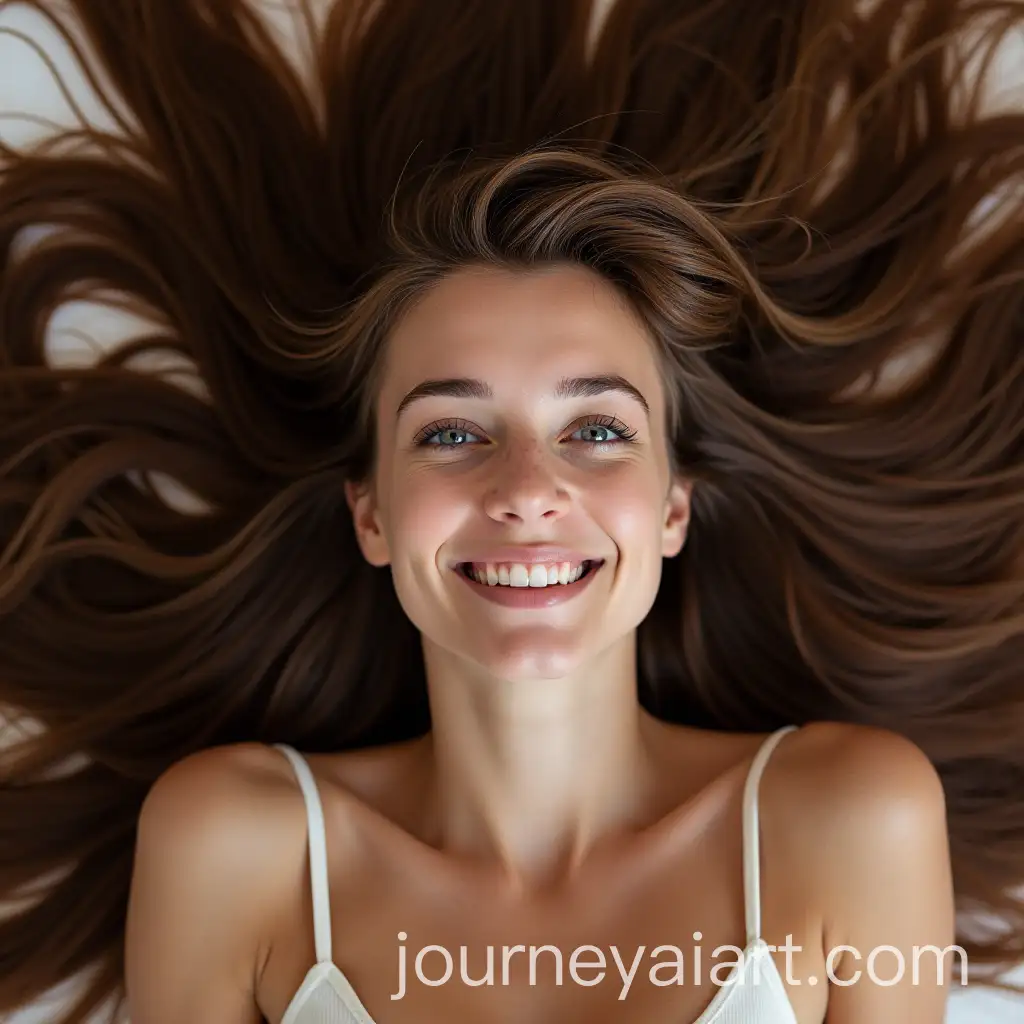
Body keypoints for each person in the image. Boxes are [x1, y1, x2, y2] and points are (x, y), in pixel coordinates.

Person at [0, 2, 1021, 1024]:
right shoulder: (235, 844)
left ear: (672, 509)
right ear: (371, 516)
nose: (528, 488)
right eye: (451, 432)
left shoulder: (847, 818)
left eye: (597, 429)